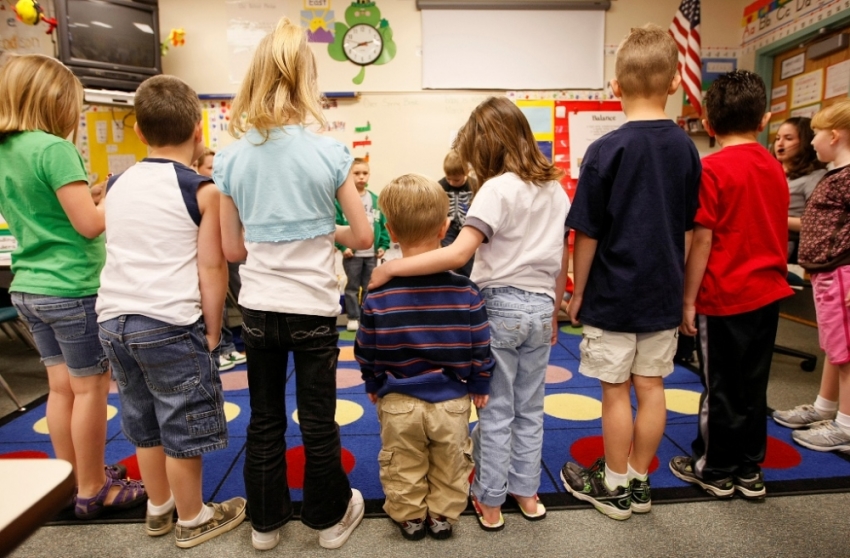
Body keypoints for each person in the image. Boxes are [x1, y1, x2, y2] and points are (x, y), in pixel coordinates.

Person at [370, 96, 570, 531]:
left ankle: (491, 500)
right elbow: (562, 253)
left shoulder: (495, 189)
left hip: (500, 305)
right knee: (531, 408)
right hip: (540, 307)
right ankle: (528, 493)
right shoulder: (555, 188)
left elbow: (458, 252)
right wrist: (554, 311)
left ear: (486, 146)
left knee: (496, 409)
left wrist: (392, 267)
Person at [214, 17, 373, 551]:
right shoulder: (328, 151)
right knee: (319, 421)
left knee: (263, 421)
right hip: (313, 311)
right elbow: (364, 234)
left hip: (258, 309)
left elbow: (232, 250)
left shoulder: (232, 155)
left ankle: (264, 527)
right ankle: (328, 524)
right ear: (306, 80)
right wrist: (321, 229)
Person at [96, 75, 246, 548]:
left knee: (143, 417)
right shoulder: (202, 190)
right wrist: (214, 329)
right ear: (199, 129)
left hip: (112, 321)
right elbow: (212, 265)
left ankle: (158, 507)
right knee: (183, 419)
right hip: (167, 321)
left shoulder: (115, 184)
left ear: (138, 132)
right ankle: (193, 515)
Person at [559, 25, 702, 521]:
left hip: (613, 295)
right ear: (676, 82)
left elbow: (587, 232)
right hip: (662, 292)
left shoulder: (604, 149)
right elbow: (687, 228)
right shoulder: (686, 149)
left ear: (615, 87)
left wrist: (576, 291)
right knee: (653, 387)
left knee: (614, 390)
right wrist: (682, 290)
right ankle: (641, 481)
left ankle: (613, 484)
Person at [0, 54, 146, 519]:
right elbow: (88, 226)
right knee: (90, 390)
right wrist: (118, 196)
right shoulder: (53, 148)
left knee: (60, 390)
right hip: (72, 287)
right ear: (53, 101)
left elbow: (49, 210)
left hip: (30, 287)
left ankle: (67, 481)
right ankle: (92, 486)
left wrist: (93, 195)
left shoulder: (7, 149)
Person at [669, 70, 793, 500]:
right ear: (764, 121)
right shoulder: (775, 167)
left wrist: (687, 300)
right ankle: (748, 468)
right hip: (769, 293)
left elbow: (702, 238)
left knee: (719, 386)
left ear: (708, 124)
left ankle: (715, 468)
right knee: (753, 387)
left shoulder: (711, 169)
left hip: (723, 296)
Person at [354, 174, 493, 541]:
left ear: (392, 232)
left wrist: (372, 381)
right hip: (451, 399)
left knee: (402, 462)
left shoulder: (379, 293)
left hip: (398, 398)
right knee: (451, 463)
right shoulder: (465, 291)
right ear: (445, 228)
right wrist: (480, 382)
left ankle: (410, 517)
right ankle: (443, 516)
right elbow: (481, 342)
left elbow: (366, 345)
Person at [780, 99, 850, 453]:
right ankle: (824, 407)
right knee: (835, 346)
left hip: (843, 272)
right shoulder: (834, 174)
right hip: (828, 271)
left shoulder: (847, 177)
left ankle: (846, 426)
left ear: (835, 136)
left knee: (847, 350)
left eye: (817, 135)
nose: (813, 142)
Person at [193, 147, 246, 371]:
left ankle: (232, 344)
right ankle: (222, 347)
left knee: (240, 293)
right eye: (209, 168)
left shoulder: (226, 191)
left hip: (231, 251)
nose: (215, 173)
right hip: (210, 256)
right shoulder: (200, 193)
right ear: (198, 168)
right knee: (217, 301)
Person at [335, 158, 389, 331]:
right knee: (352, 286)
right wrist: (344, 247)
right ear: (350, 175)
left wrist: (383, 245)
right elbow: (335, 223)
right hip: (352, 254)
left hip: (371, 254)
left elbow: (382, 224)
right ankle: (352, 316)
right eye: (356, 173)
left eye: (364, 173)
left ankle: (366, 316)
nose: (361, 177)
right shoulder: (342, 200)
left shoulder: (375, 199)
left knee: (369, 286)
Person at [773, 117, 827, 263]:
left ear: (805, 143)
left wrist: (772, 218)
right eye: (778, 138)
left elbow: (816, 223)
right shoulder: (771, 172)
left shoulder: (814, 177)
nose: (780, 143)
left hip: (789, 246)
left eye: (788, 138)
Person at [438, 150, 475, 277]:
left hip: (469, 227)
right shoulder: (441, 186)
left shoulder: (474, 185)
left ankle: (467, 281)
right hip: (449, 228)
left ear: (466, 172)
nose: (452, 182)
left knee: (468, 258)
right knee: (448, 255)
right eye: (449, 179)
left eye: (457, 180)